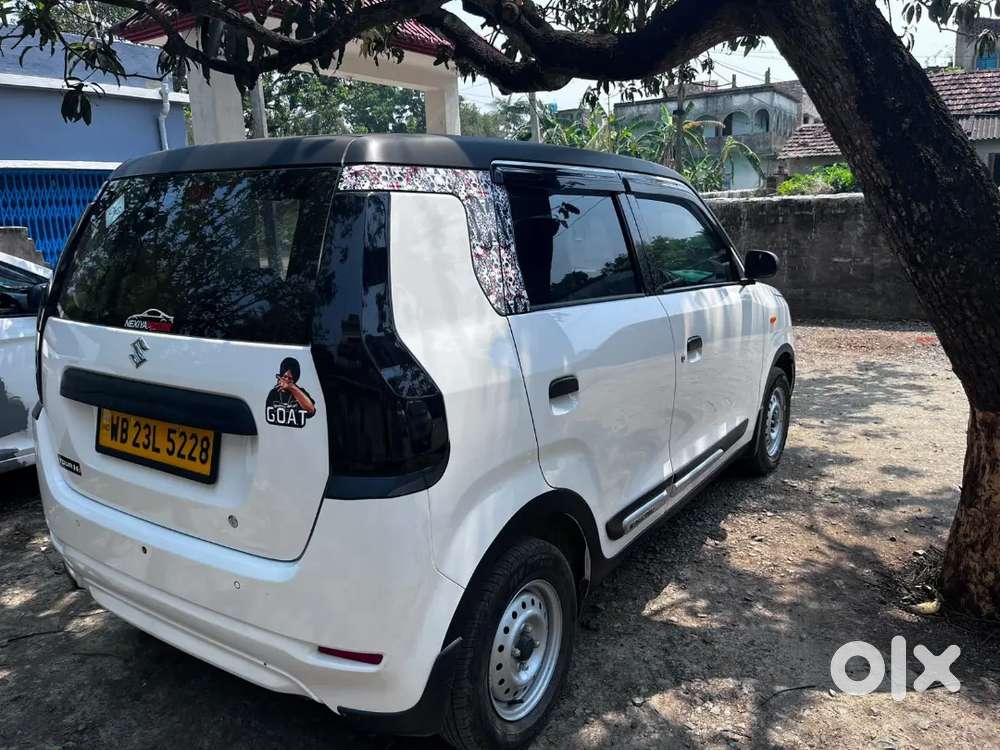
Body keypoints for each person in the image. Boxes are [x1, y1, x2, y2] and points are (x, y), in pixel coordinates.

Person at [264, 357, 316, 427]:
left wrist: (291, 387)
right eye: (285, 377)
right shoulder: (273, 393)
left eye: (290, 379)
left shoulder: (300, 392)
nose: (286, 380)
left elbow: (311, 410)